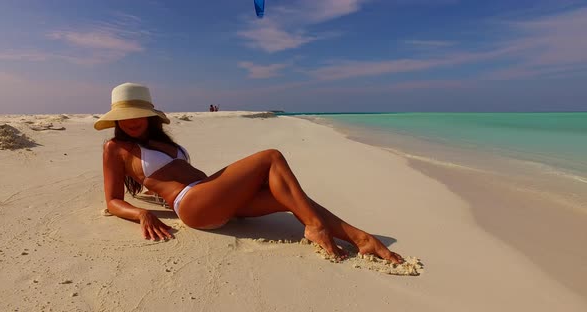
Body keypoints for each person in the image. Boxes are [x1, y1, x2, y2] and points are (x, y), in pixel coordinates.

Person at [94, 82, 404, 263]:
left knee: (289, 196)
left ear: (150, 116)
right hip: (192, 205)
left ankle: (361, 238)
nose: (130, 122)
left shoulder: (159, 141)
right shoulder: (115, 148)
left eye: (137, 115)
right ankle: (315, 228)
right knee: (270, 158)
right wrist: (142, 215)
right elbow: (111, 200)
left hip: (214, 197)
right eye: (123, 117)